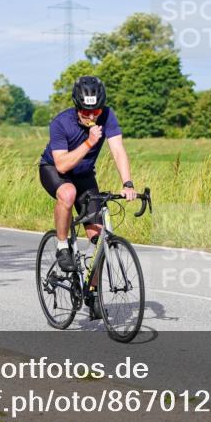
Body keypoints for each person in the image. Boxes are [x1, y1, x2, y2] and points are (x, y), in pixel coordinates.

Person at [39, 76, 137, 319]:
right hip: (54, 170)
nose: (92, 116)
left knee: (99, 237)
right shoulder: (61, 123)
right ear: (76, 106)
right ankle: (62, 245)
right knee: (68, 193)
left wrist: (127, 183)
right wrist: (89, 142)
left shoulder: (107, 116)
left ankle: (92, 291)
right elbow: (62, 165)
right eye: (85, 111)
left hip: (84, 176)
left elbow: (117, 149)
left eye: (96, 111)